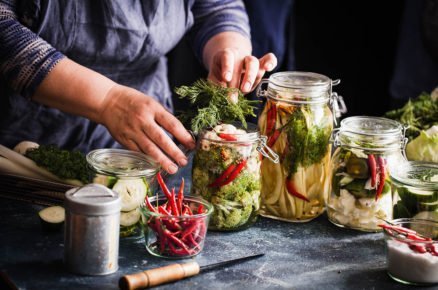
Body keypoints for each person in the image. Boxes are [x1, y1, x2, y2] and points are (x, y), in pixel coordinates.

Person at [0, 0, 277, 174]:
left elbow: (217, 8)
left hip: (143, 148)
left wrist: (229, 51)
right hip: (28, 147)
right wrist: (107, 100)